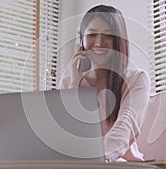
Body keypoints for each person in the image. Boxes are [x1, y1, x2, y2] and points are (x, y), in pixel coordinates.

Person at [59, 5, 151, 162]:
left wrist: (97, 159)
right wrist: (75, 81)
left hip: (121, 164)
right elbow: (66, 135)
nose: (99, 43)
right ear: (81, 40)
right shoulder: (68, 82)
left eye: (108, 36)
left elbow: (126, 126)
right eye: (92, 35)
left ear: (119, 40)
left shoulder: (137, 79)